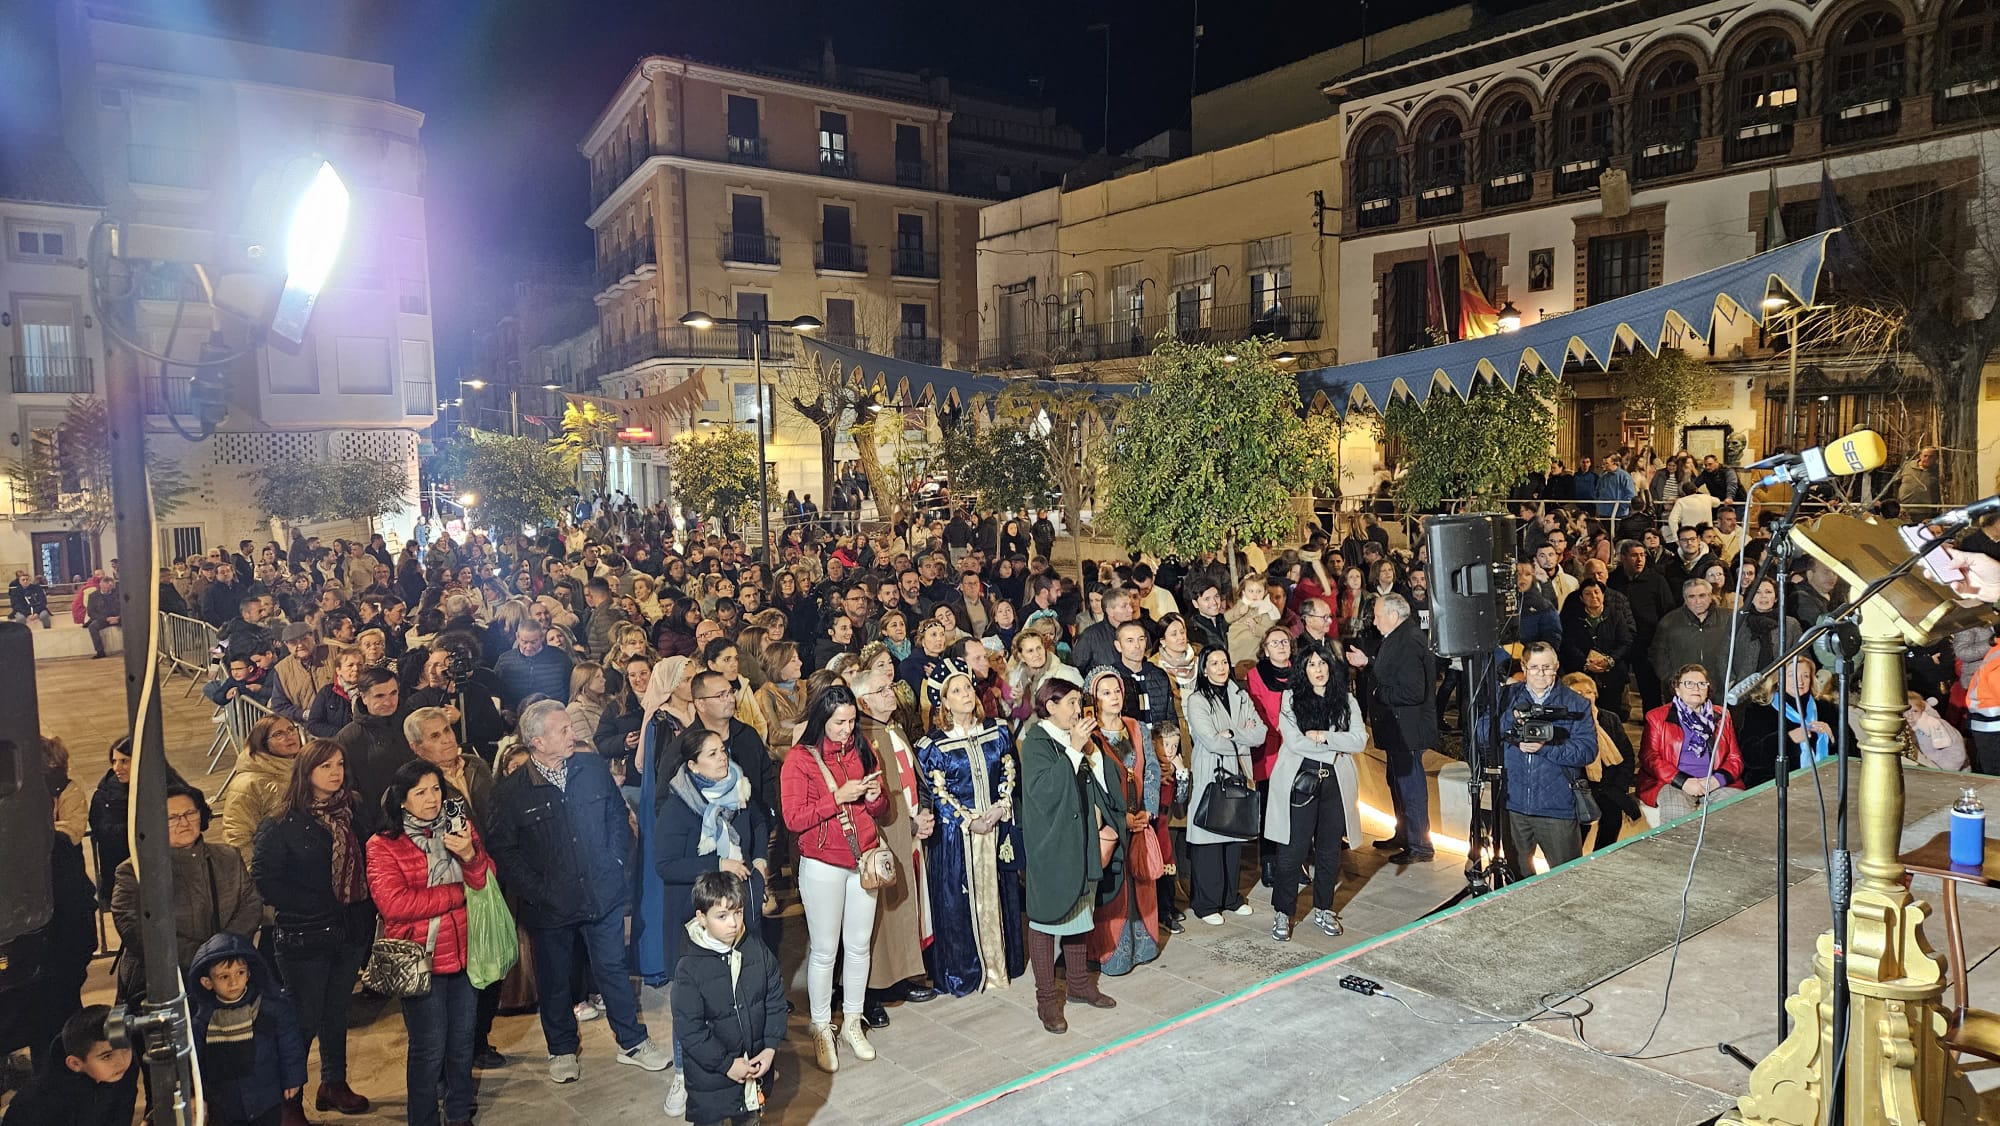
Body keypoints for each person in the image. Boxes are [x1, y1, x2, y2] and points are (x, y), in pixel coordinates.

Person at [486, 700, 671, 1082]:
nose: (574, 735)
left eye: (571, 727)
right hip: (549, 906)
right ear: (537, 741)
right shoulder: (511, 792)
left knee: (613, 972)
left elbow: (617, 819)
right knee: (555, 981)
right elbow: (504, 852)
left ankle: (633, 1043)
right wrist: (538, 892)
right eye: (563, 731)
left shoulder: (590, 768)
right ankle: (562, 1049)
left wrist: (618, 866)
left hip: (601, 894)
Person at [250, 739, 375, 1119]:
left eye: (339, 764)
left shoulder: (351, 809)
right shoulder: (281, 822)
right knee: (302, 1019)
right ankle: (288, 1097)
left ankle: (334, 1082)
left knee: (336, 1012)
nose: (335, 772)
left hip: (349, 928)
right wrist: (315, 906)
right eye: (325, 766)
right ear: (305, 773)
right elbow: (265, 879)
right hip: (305, 934)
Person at [366, 760, 494, 1126]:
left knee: (462, 1043)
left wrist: (469, 855)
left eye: (436, 788)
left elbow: (487, 878)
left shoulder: (458, 826)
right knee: (428, 1048)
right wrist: (458, 893)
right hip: (421, 959)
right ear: (402, 800)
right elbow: (396, 904)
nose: (431, 798)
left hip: (467, 951)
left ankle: (459, 1114)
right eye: (420, 792)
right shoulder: (383, 845)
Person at [779, 685, 889, 1073]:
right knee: (825, 950)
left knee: (859, 947)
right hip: (822, 862)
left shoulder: (861, 749)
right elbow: (793, 819)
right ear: (820, 720)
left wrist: (874, 796)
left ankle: (853, 1023)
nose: (847, 729)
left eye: (851, 721)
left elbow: (880, 807)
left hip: (862, 860)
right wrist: (838, 797)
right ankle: (822, 1026)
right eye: (839, 722)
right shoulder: (799, 759)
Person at [1017, 676, 1124, 1034]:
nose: (1079, 710)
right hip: (1051, 847)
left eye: (1080, 702)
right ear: (1051, 706)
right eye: (1071, 703)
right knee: (1046, 919)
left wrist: (1090, 753)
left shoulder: (1077, 739)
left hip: (1082, 842)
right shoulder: (1035, 742)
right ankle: (1047, 999)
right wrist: (1076, 750)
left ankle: (1078, 984)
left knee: (1081, 912)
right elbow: (1044, 790)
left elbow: (1100, 783)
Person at [913, 660, 1024, 995]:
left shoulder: (997, 731)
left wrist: (999, 807)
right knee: (958, 902)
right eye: (956, 691)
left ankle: (1001, 963)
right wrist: (969, 819)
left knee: (1000, 896)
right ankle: (966, 971)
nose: (964, 695)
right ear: (944, 702)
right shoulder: (932, 745)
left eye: (967, 688)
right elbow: (937, 791)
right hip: (957, 837)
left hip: (994, 827)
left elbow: (1008, 772)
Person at [110, 785, 263, 1003]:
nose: (184, 822)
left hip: (228, 973)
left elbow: (250, 905)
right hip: (166, 980)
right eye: (172, 817)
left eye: (190, 813)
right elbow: (135, 929)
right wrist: (205, 959)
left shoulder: (227, 856)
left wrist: (224, 952)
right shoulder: (133, 871)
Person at [850, 664, 939, 1018]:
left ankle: (901, 975)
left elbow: (913, 779)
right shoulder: (861, 736)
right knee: (877, 919)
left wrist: (925, 813)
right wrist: (910, 824)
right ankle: (871, 993)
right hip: (884, 836)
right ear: (863, 701)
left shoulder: (894, 729)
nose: (892, 693)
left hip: (910, 831)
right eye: (882, 690)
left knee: (904, 910)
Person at [670, 871, 787, 1126]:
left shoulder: (756, 949)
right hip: (711, 1080)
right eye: (721, 916)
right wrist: (726, 1065)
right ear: (701, 918)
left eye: (738, 912)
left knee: (750, 1119)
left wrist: (769, 1048)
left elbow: (775, 999)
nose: (733, 923)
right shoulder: (689, 968)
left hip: (753, 1071)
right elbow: (689, 1029)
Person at [1266, 646, 1364, 941]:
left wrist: (1323, 737)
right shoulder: (1290, 699)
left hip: (1335, 782)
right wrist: (1337, 745)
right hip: (1300, 781)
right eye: (1311, 665)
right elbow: (1295, 743)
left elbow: (1359, 740)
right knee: (1292, 851)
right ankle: (1283, 912)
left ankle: (1324, 908)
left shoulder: (1346, 700)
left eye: (1323, 663)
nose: (1318, 669)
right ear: (1303, 670)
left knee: (1329, 852)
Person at [1081, 666, 1161, 972]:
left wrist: (1147, 810)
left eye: (1116, 691)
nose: (1113, 698)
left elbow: (1151, 769)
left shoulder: (1136, 728)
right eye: (1105, 693)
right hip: (1110, 824)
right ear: (1093, 698)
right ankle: (1112, 954)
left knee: (1139, 881)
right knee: (1113, 890)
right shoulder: (1090, 733)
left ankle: (1143, 946)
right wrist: (1120, 819)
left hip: (1139, 818)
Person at [1347, 595, 1436, 862]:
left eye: (1377, 616)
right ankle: (1405, 834)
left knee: (1410, 786)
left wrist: (1377, 693)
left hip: (1407, 730)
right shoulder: (1399, 636)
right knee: (1397, 782)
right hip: (1398, 730)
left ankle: (1420, 844)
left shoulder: (1408, 641)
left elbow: (1412, 691)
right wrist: (1368, 664)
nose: (1374, 622)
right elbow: (1391, 671)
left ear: (1393, 617)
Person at [1498, 643, 1601, 873]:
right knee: (1517, 879)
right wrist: (1511, 721)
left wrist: (1545, 748)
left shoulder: (1576, 703)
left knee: (1565, 877)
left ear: (1556, 667)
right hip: (1514, 805)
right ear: (1524, 667)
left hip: (1557, 808)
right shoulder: (1506, 698)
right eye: (1534, 667)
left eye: (1546, 667)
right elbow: (1483, 734)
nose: (1541, 673)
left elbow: (1587, 751)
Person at [185, 934, 307, 1126]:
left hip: (266, 1098)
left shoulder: (270, 1007)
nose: (234, 982)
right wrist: (196, 1096)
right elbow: (194, 1064)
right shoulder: (202, 1021)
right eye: (224, 977)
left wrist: (293, 1078)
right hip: (225, 1104)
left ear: (249, 973)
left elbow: (289, 1044)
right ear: (207, 982)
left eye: (240, 973)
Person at [1183, 647, 1266, 924]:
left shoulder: (1240, 695)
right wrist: (1243, 736)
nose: (1220, 667)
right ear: (1204, 668)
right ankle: (1206, 903)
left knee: (1233, 833)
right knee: (1209, 832)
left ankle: (1231, 897)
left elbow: (1261, 733)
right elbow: (1209, 740)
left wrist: (1233, 733)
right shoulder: (1197, 700)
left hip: (1239, 770)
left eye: (1224, 662)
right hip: (1212, 771)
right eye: (1213, 663)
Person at [1639, 664, 1744, 825]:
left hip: (1714, 782)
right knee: (1677, 811)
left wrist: (1716, 781)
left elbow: (1735, 758)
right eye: (1689, 683)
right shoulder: (1657, 717)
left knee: (1730, 811)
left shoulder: (1722, 716)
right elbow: (1649, 758)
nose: (1696, 688)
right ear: (1677, 689)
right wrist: (1683, 781)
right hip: (1671, 782)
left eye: (1702, 684)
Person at [0, 1005, 138, 1126]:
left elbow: (122, 1113)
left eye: (125, 1048)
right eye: (107, 1056)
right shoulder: (44, 1102)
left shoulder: (123, 1073)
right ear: (75, 1064)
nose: (121, 1061)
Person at [1562, 673, 1640, 851]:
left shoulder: (1609, 719)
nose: (1585, 696)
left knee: (1609, 834)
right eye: (1578, 692)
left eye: (1589, 692)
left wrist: (1618, 787)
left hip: (1610, 788)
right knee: (1575, 843)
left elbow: (1627, 756)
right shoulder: (1563, 722)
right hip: (1579, 791)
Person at [217, 715, 305, 865]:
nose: (289, 736)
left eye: (291, 729)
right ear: (263, 743)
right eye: (278, 734)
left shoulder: (306, 767)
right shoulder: (248, 784)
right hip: (272, 867)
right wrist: (256, 874)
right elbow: (237, 835)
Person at [1650, 579, 1754, 698]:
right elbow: (1658, 654)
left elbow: (1745, 651)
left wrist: (1736, 679)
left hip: (1723, 690)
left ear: (1710, 596)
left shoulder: (1730, 618)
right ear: (1685, 598)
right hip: (1684, 692)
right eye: (1691, 596)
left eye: (1702, 595)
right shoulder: (1669, 622)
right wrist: (1671, 679)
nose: (1697, 601)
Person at [84, 574, 120, 658]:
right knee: (92, 627)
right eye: (106, 587)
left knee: (131, 624)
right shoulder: (93, 596)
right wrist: (106, 619)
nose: (108, 589)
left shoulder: (118, 593)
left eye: (110, 587)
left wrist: (118, 617)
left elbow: (126, 607)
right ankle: (100, 651)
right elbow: (91, 612)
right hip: (103, 619)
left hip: (118, 618)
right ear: (101, 585)